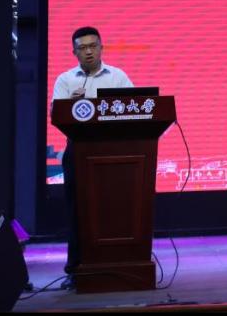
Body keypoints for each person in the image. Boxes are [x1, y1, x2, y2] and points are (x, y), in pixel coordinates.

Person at [52, 26, 134, 289]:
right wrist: (70, 106)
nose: (88, 52)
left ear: (101, 48)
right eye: (82, 48)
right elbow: (56, 116)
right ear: (74, 52)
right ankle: (76, 269)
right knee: (78, 211)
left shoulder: (118, 77)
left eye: (93, 46)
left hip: (114, 152)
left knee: (116, 208)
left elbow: (136, 109)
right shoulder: (66, 80)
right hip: (78, 151)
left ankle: (120, 265)